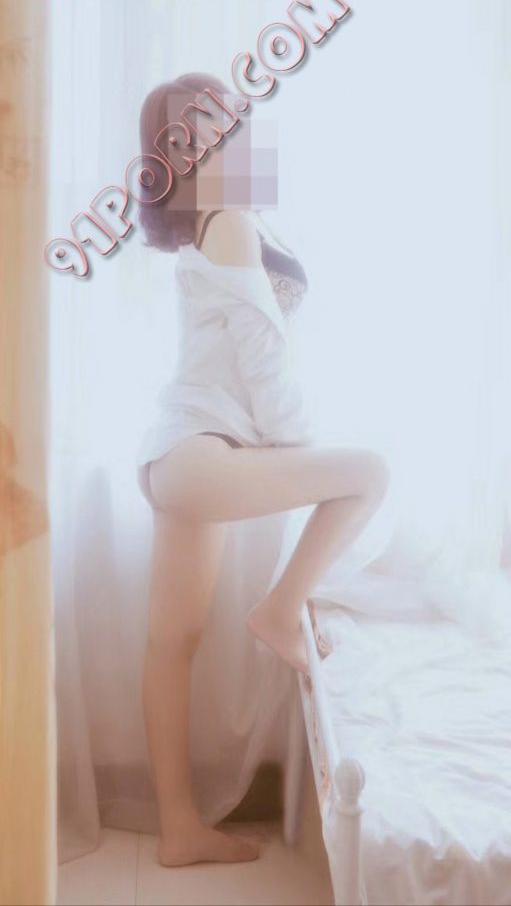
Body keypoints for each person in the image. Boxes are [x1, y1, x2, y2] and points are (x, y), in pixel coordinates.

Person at [136, 73, 389, 867]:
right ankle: (279, 612)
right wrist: (297, 444)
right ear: (176, 150)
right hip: (199, 452)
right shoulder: (229, 219)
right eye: (198, 127)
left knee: (171, 641)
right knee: (368, 472)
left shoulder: (221, 221)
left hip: (182, 455)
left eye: (224, 116)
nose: (222, 132)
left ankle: (179, 830)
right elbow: (263, 362)